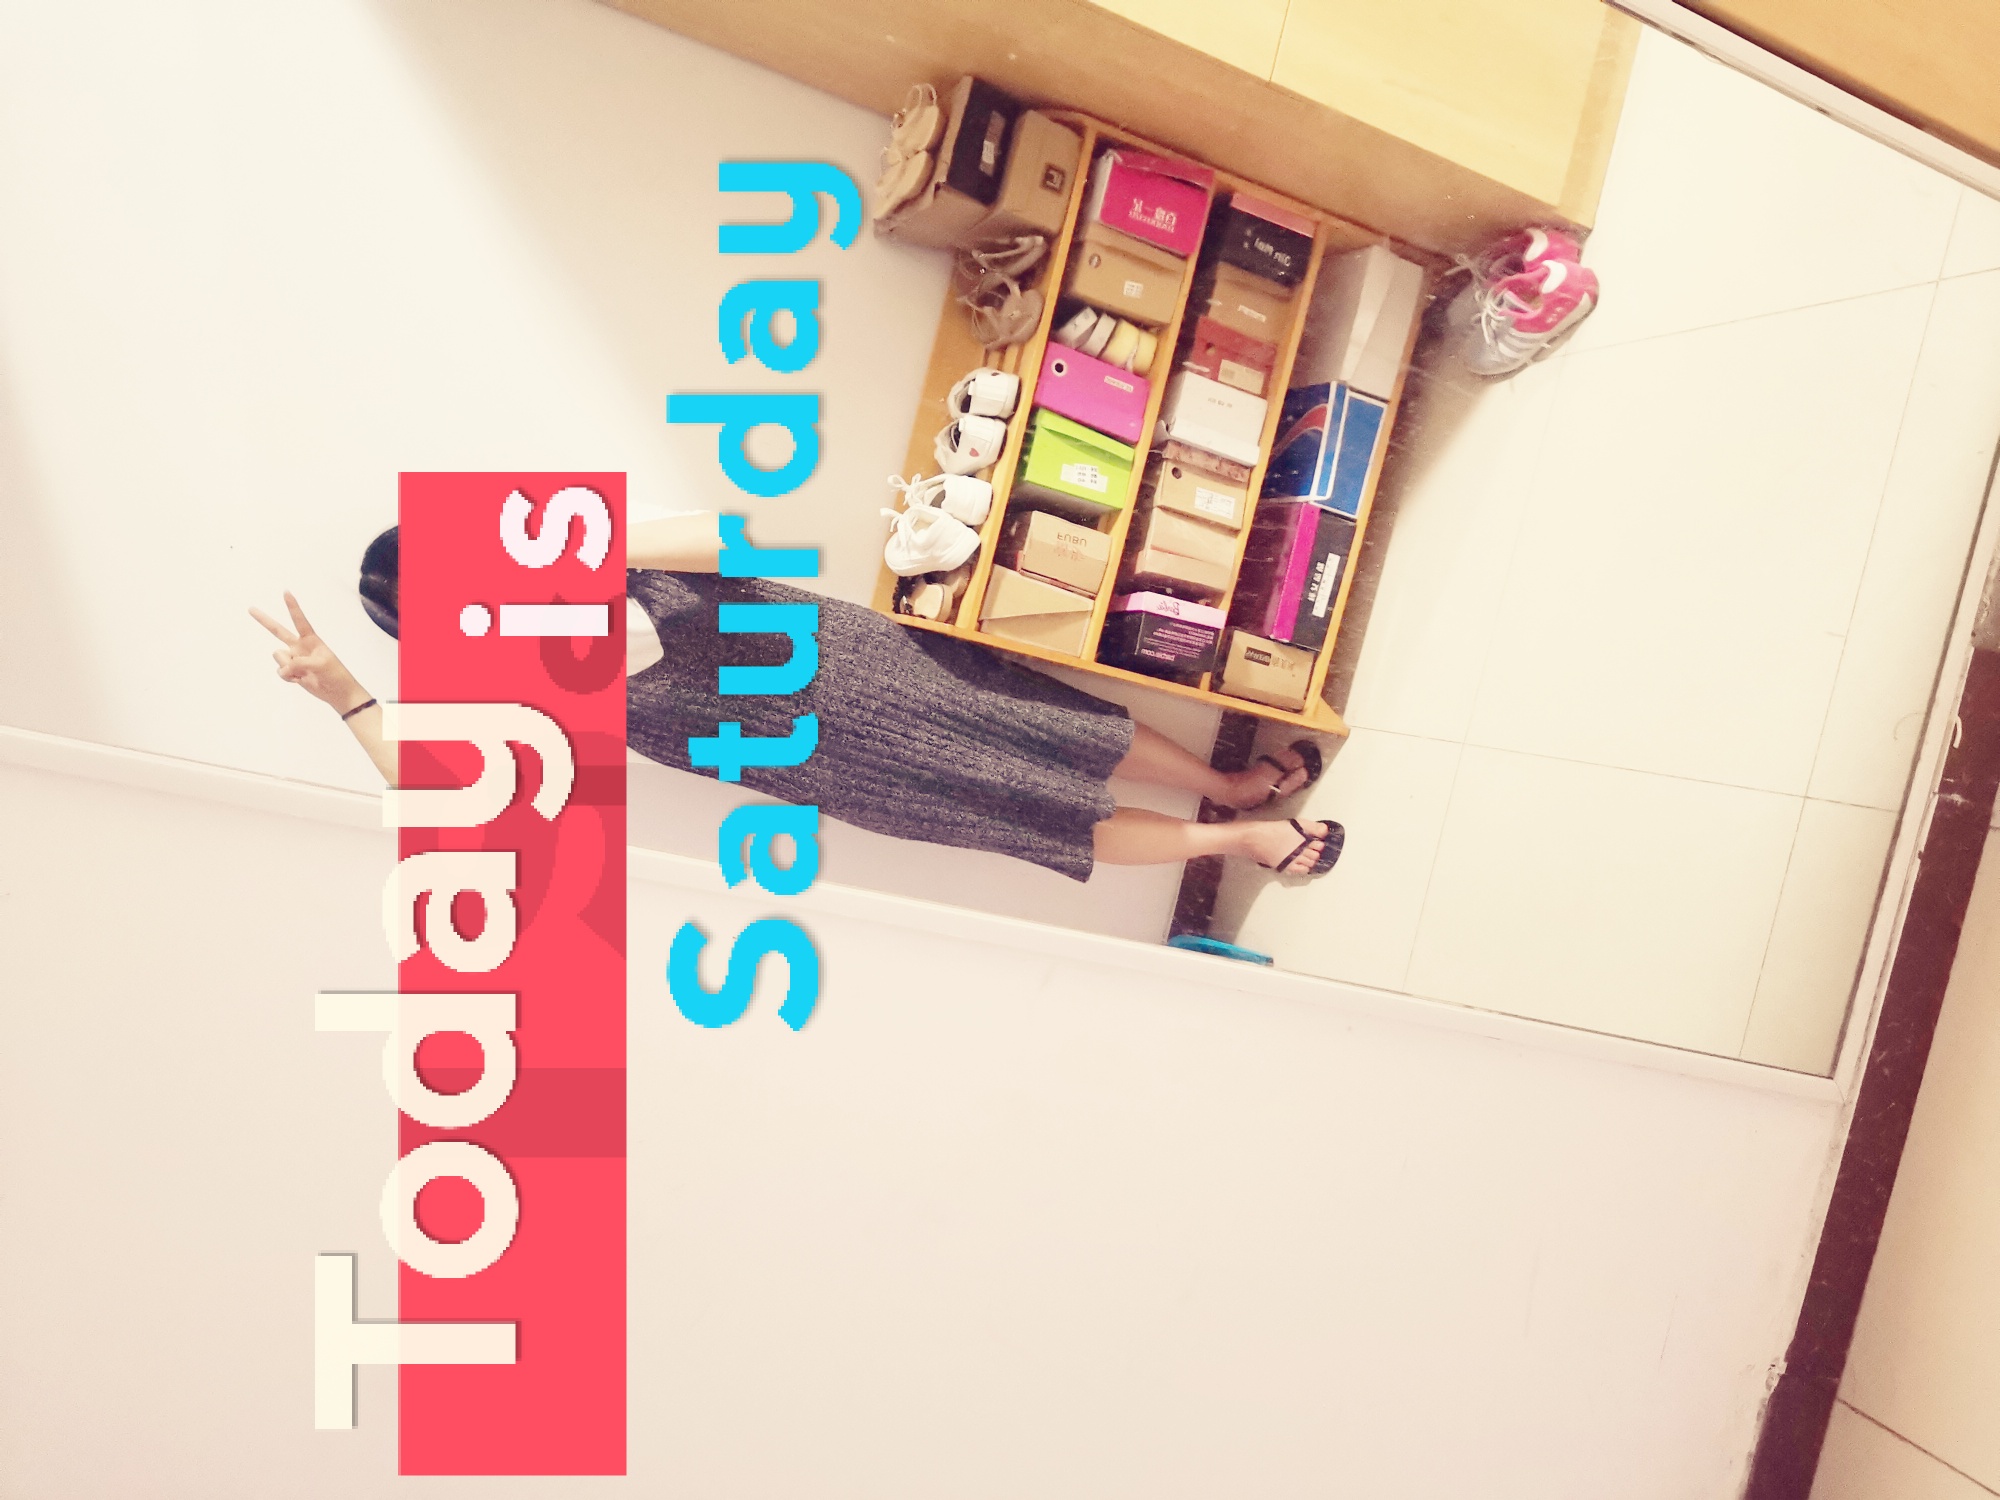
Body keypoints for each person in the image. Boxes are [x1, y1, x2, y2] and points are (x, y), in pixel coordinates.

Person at [251, 511, 1343, 881]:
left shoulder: (601, 548)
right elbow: (436, 781)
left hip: (858, 661)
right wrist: (346, 694)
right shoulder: (522, 694)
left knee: (1066, 727)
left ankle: (1229, 783)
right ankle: (1238, 841)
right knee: (1039, 818)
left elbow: (742, 533)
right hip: (833, 763)